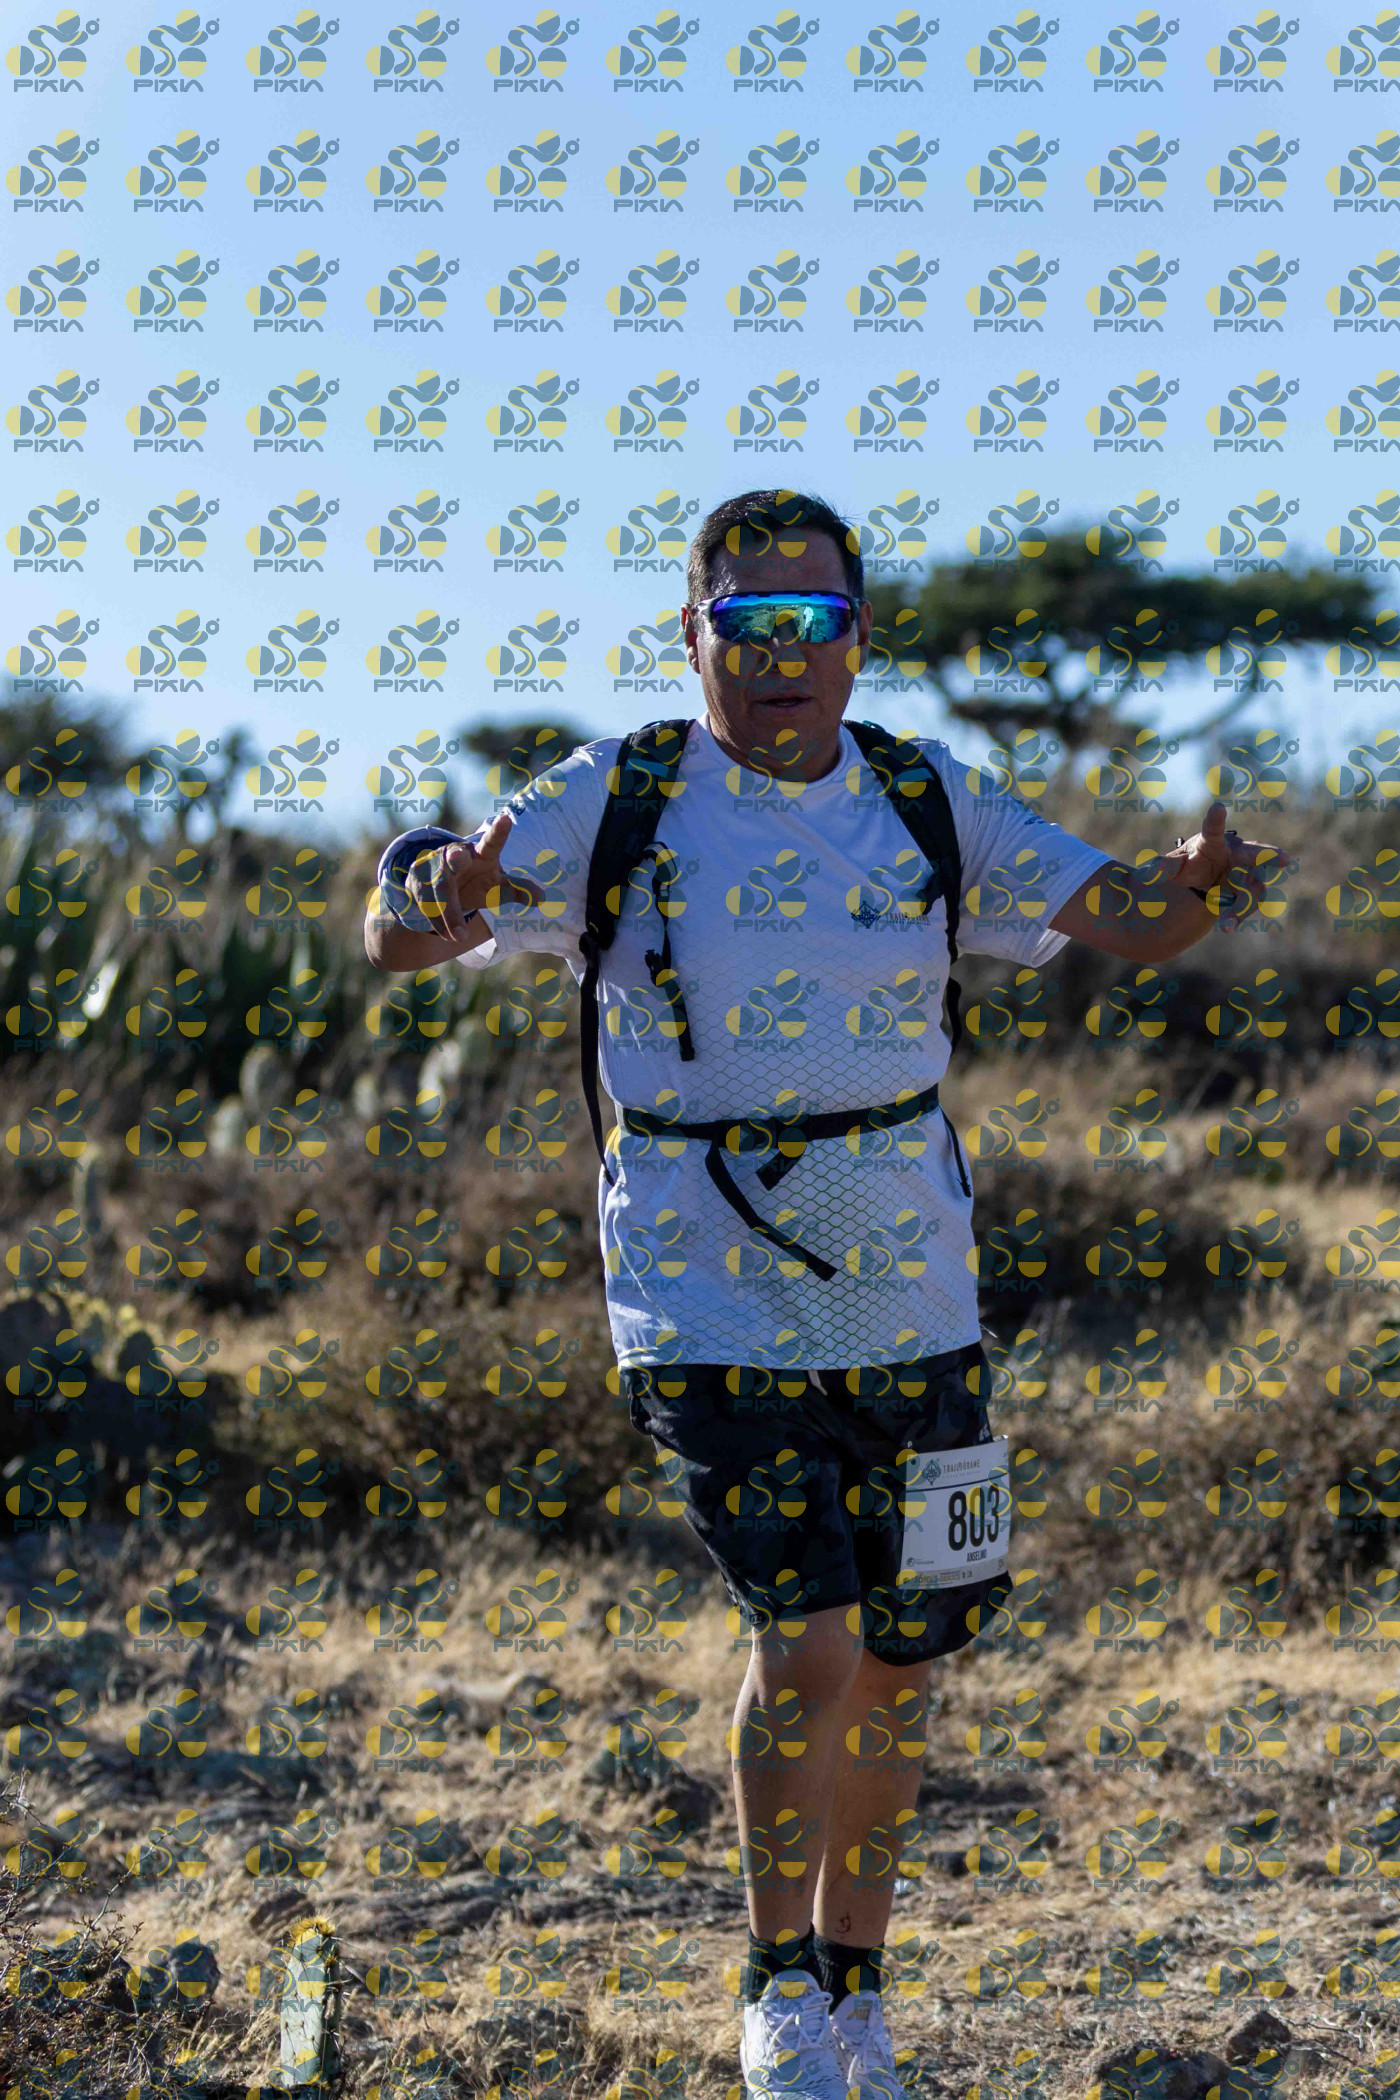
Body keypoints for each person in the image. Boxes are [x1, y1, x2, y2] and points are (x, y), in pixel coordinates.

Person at [363, 488, 1279, 2100]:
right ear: (694, 634)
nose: (782, 652)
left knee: (907, 1655)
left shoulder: (926, 795)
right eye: (749, 622)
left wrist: (1207, 885)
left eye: (816, 620)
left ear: (861, 638)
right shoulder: (620, 792)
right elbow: (405, 924)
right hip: (703, 1289)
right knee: (810, 1639)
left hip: (915, 1290)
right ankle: (778, 1989)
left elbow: (1133, 921)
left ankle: (860, 1991)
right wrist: (435, 890)